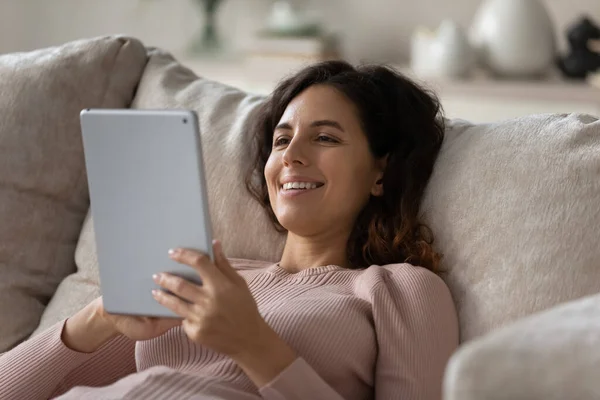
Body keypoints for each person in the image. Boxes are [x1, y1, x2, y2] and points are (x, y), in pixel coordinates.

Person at [0, 61, 459, 399]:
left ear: (382, 171)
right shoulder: (208, 278)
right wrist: (100, 316)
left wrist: (253, 344)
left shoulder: (400, 288)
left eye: (325, 137)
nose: (291, 155)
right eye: (281, 139)